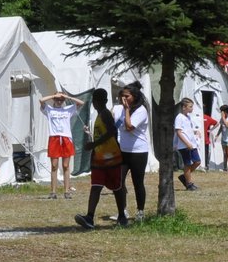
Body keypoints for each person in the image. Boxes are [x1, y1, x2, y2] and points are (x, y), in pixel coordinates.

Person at [74, 88, 127, 228]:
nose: (94, 104)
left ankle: (122, 215)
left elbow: (112, 131)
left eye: (96, 101)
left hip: (111, 158)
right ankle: (89, 217)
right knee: (96, 187)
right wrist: (94, 151)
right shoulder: (99, 116)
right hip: (99, 159)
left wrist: (93, 144)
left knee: (117, 188)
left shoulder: (105, 114)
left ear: (96, 102)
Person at [116, 83, 151, 219]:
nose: (123, 99)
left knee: (138, 182)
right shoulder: (120, 109)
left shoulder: (141, 110)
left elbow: (130, 126)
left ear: (134, 97)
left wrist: (126, 110)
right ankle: (122, 210)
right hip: (123, 150)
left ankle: (140, 211)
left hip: (138, 152)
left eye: (127, 96)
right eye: (122, 96)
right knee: (118, 182)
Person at [41, 90, 80, 199]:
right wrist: (54, 95)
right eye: (57, 99)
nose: (59, 101)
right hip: (54, 137)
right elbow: (41, 100)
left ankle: (67, 191)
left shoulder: (68, 109)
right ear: (54, 99)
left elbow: (81, 103)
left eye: (61, 100)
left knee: (66, 165)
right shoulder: (49, 109)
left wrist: (67, 97)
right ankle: (53, 192)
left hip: (66, 138)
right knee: (54, 166)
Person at [174, 97, 202, 191]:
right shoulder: (179, 117)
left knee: (197, 161)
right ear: (183, 107)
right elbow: (179, 132)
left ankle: (185, 176)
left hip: (192, 144)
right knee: (187, 164)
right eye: (190, 106)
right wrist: (186, 143)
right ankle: (189, 184)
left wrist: (195, 131)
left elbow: (187, 130)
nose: (192, 108)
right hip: (184, 145)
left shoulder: (188, 117)